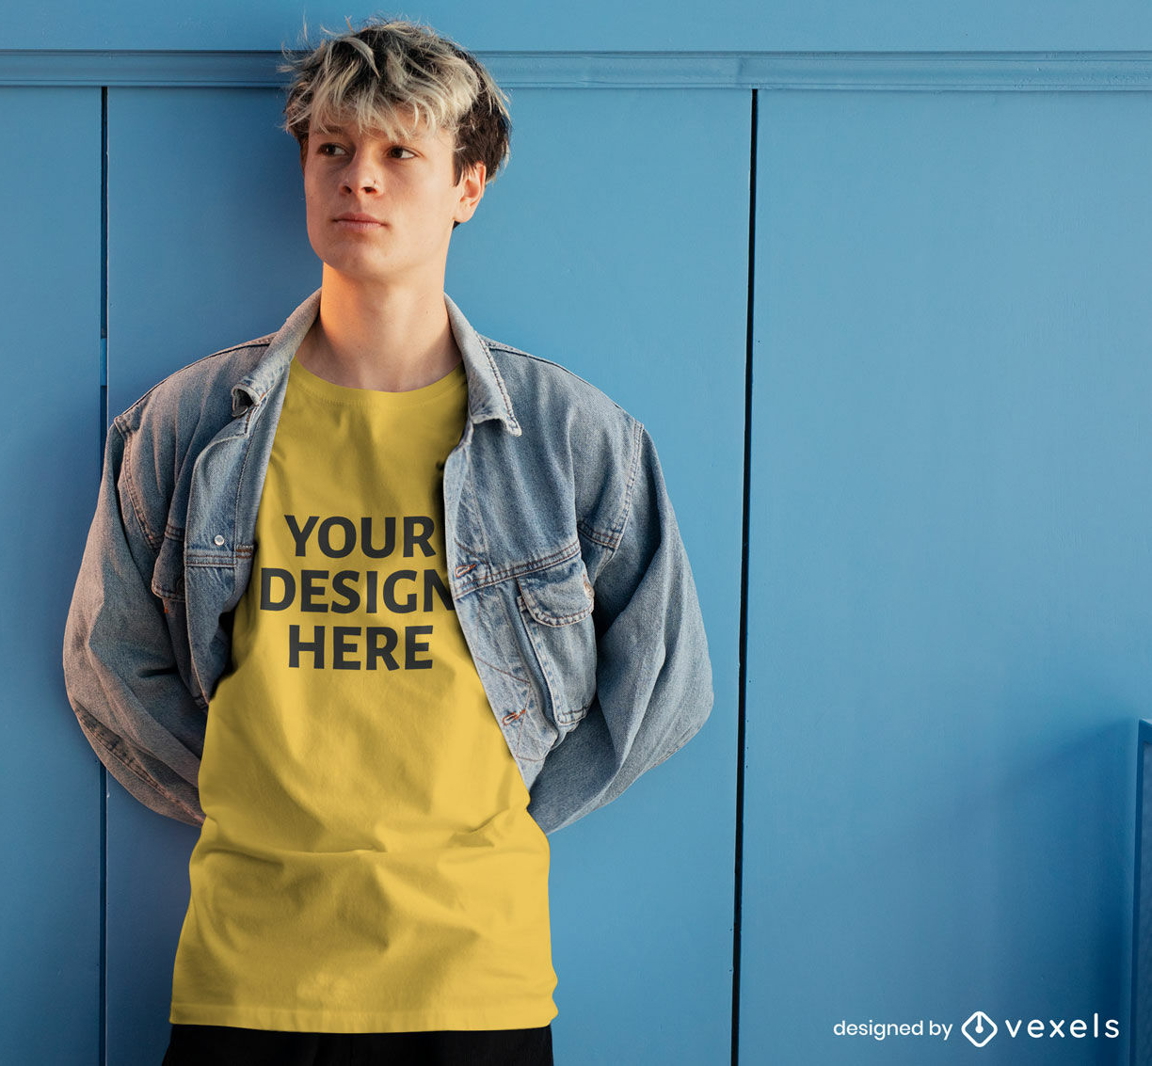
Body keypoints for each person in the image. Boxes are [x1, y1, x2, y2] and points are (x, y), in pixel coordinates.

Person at [62, 15, 715, 1065]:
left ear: (468, 184)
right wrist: (253, 798)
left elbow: (666, 683)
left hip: (474, 979)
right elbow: (111, 666)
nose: (358, 178)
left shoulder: (569, 436)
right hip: (248, 975)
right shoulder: (188, 425)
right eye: (332, 148)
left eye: (399, 151)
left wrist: (493, 821)